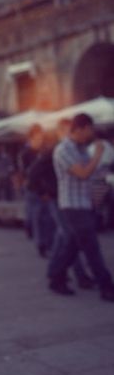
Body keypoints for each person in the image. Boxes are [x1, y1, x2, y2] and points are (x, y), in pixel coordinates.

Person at [48, 113, 114, 301]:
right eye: (90, 129)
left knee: (74, 244)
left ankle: (55, 276)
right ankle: (106, 286)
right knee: (91, 246)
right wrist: (99, 154)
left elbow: (90, 176)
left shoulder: (81, 149)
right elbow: (83, 173)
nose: (91, 134)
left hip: (84, 204)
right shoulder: (63, 149)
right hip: (72, 205)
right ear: (81, 128)